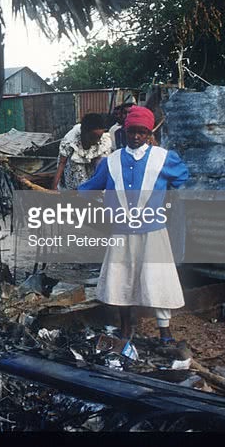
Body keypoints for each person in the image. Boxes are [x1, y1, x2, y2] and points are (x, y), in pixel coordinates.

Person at [78, 105, 189, 342]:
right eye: (132, 132)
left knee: (158, 278)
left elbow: (181, 177)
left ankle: (164, 330)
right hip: (122, 230)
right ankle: (126, 326)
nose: (136, 137)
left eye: (142, 132)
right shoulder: (111, 161)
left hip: (153, 230)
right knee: (121, 278)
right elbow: (90, 187)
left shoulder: (163, 158)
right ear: (124, 132)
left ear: (149, 133)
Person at [52, 113, 111, 190]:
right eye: (93, 137)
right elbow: (62, 163)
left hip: (92, 163)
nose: (96, 140)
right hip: (74, 165)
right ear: (84, 133)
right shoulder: (70, 140)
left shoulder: (103, 141)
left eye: (99, 137)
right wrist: (54, 186)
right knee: (79, 186)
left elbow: (99, 164)